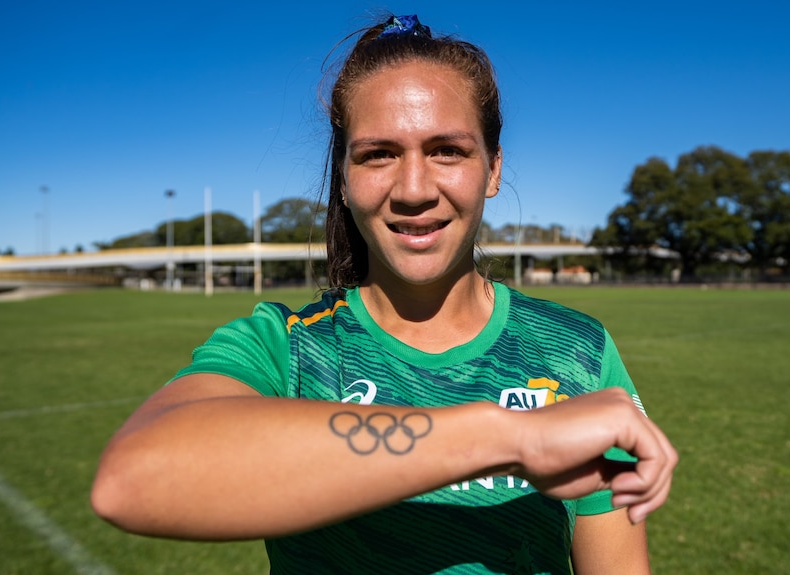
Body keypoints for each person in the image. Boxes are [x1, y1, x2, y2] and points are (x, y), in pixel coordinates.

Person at [91, 14, 677, 574]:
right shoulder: (290, 350)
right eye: (378, 155)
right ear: (343, 180)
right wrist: (510, 437)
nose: (414, 190)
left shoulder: (576, 351)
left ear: (494, 168)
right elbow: (134, 477)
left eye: (447, 150)